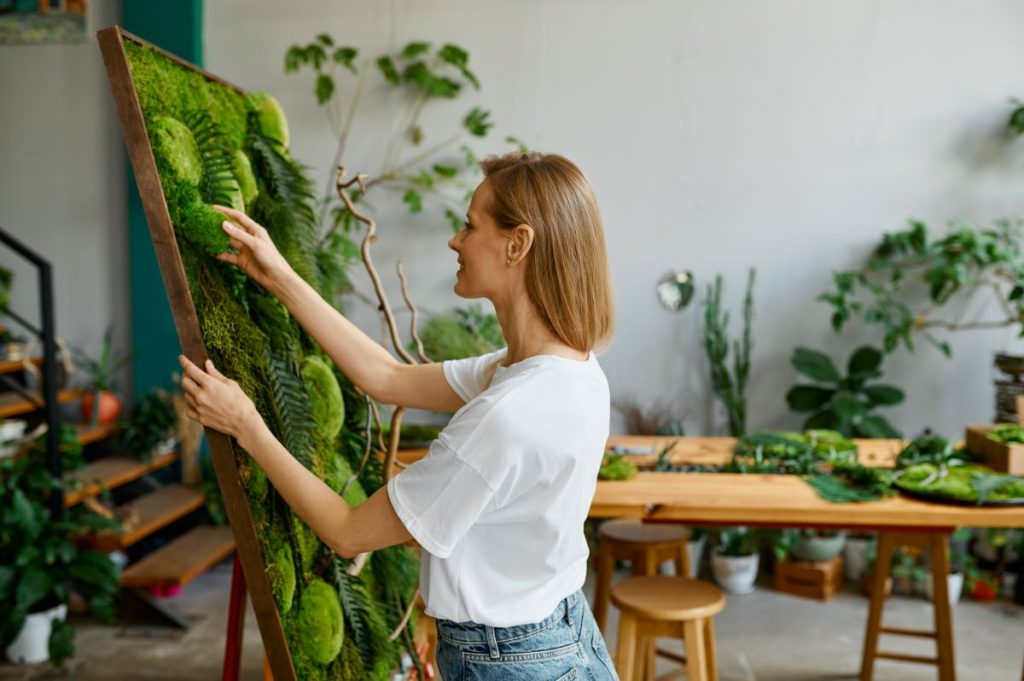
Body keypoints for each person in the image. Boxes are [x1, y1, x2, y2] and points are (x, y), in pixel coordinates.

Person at [178, 151, 619, 680]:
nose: (455, 241)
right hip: (563, 636)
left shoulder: (507, 415)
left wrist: (245, 424)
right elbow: (385, 378)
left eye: (469, 225)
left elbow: (346, 532)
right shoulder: (565, 368)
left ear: (516, 244)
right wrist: (280, 277)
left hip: (511, 662)